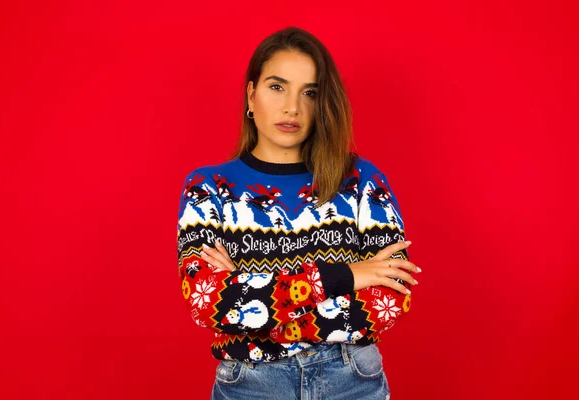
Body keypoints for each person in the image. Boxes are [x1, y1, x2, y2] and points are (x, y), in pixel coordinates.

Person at [176, 26, 420, 400]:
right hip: (251, 385)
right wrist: (345, 276)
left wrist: (254, 305)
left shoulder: (362, 181)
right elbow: (209, 302)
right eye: (277, 87)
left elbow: (389, 299)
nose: (293, 106)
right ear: (251, 94)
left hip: (351, 380)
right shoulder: (209, 189)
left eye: (310, 93)